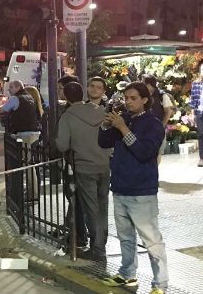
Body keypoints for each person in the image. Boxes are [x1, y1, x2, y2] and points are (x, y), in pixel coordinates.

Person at [99, 82, 167, 293]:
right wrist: (106, 125)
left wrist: (122, 127)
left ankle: (160, 284)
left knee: (152, 241)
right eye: (126, 98)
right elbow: (103, 142)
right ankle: (127, 274)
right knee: (125, 237)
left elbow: (144, 152)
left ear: (145, 100)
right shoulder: (125, 119)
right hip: (120, 188)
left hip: (142, 191)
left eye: (133, 98)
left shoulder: (153, 124)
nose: (128, 102)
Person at [55, 81, 109, 261]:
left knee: (91, 209)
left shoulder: (68, 116)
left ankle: (97, 249)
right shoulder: (100, 111)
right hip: (104, 165)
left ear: (66, 97)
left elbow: (62, 145)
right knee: (102, 206)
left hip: (85, 167)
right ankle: (102, 241)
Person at [0, 80, 41, 198]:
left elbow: (4, 108)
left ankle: (31, 194)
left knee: (27, 166)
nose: (9, 90)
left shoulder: (16, 98)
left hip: (25, 135)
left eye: (11, 88)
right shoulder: (28, 97)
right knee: (29, 164)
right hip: (33, 134)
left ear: (18, 87)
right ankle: (30, 192)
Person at [142, 75, 176, 166]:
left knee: (157, 152)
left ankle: (154, 171)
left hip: (158, 129)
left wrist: (161, 126)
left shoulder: (162, 95)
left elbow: (168, 112)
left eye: (143, 83)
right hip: (144, 128)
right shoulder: (142, 96)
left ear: (149, 84)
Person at [188, 60, 203, 167]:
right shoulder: (196, 84)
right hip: (200, 111)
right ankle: (202, 158)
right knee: (201, 135)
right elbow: (193, 100)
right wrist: (192, 114)